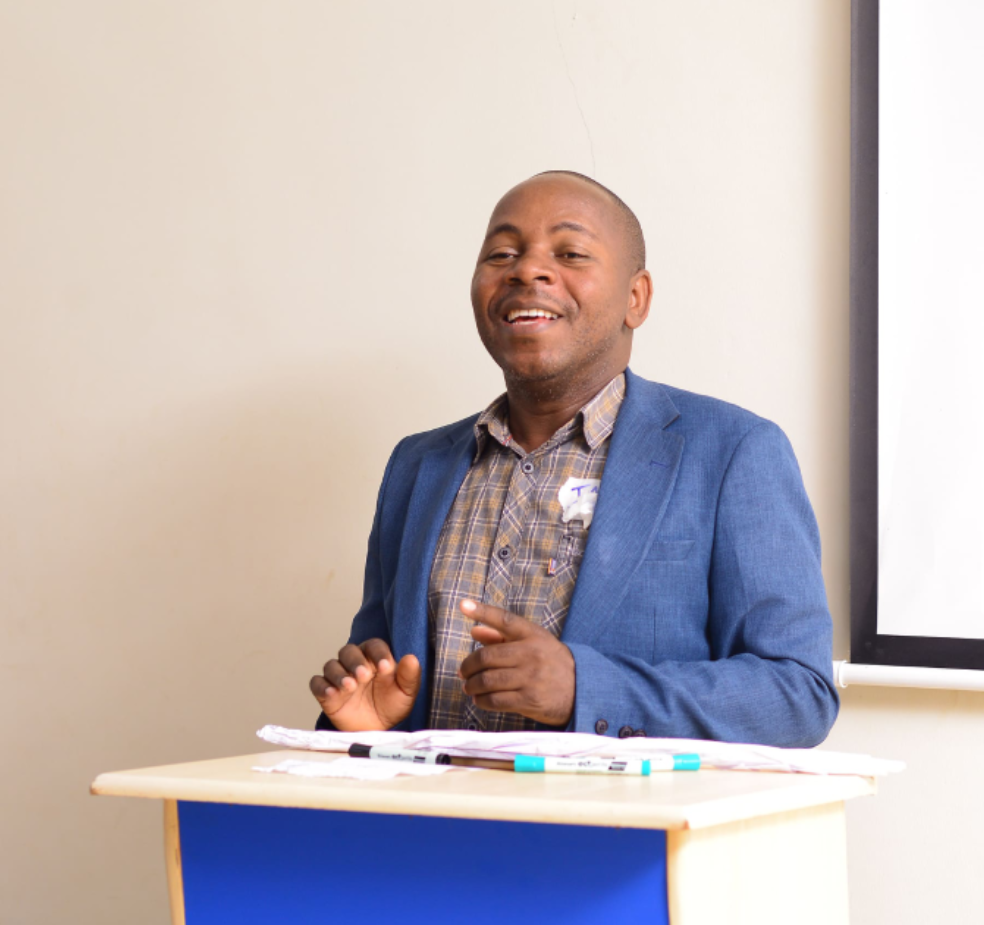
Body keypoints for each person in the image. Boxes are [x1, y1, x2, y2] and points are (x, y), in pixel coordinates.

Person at [309, 170, 839, 745]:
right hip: (430, 805)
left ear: (635, 299)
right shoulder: (417, 467)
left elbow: (798, 694)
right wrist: (365, 727)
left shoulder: (734, 452)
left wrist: (586, 690)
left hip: (615, 807)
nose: (527, 271)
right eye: (502, 254)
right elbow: (382, 685)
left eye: (570, 253)